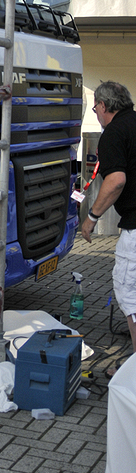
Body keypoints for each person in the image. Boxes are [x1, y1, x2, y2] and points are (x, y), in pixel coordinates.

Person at [82, 80, 136, 361]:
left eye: (94, 110)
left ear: (103, 106)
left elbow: (115, 181)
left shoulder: (114, 133)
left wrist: (92, 217)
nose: (97, 115)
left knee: (131, 295)